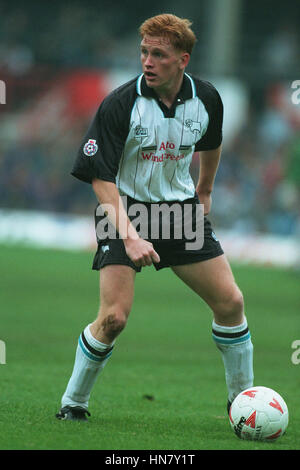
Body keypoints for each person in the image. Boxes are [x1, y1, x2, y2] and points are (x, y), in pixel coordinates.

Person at [56, 13, 254, 421]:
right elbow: (100, 179)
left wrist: (205, 189)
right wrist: (130, 236)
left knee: (231, 302)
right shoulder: (119, 103)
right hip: (122, 209)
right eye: (144, 52)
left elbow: (211, 142)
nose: (147, 61)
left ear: (182, 60)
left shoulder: (208, 99)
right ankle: (73, 405)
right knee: (113, 319)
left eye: (158, 54)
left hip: (179, 213)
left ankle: (244, 405)